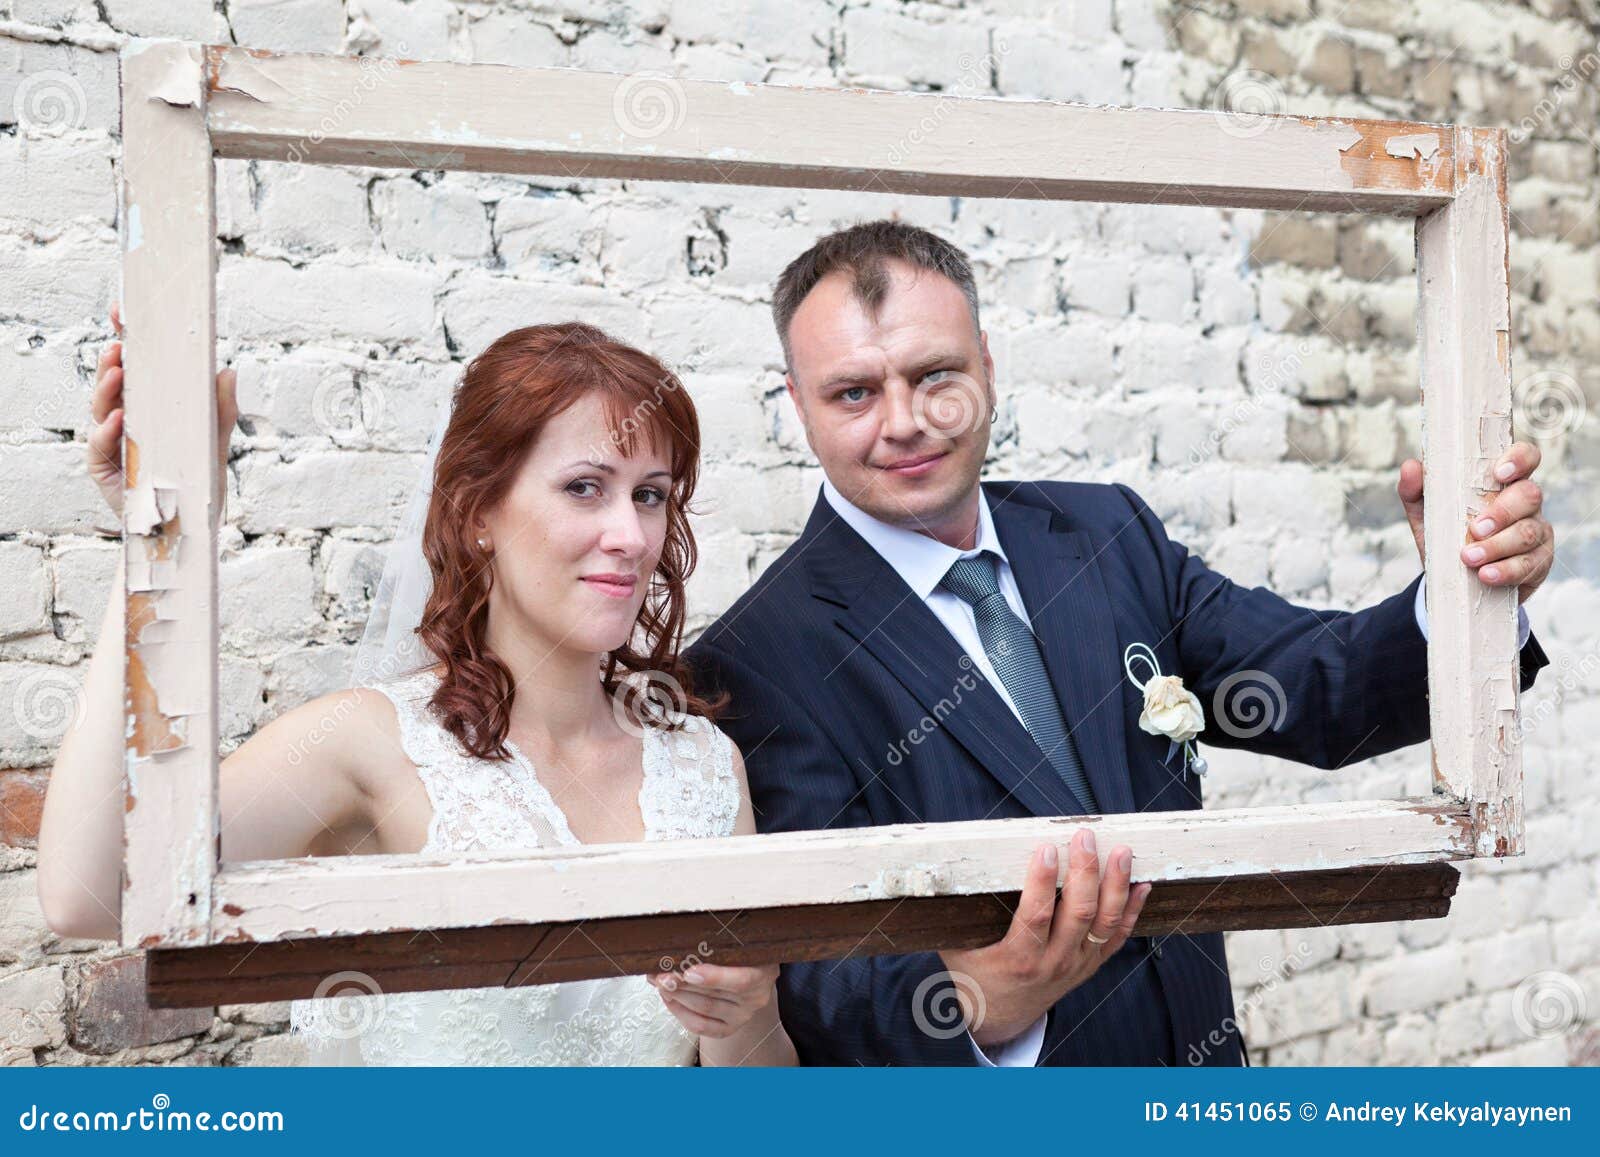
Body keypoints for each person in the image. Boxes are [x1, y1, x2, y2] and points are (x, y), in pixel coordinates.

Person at [685, 219, 1555, 1067]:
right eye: (854, 393)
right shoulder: (753, 662)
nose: (905, 420)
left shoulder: (1106, 531)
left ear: (987, 366)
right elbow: (803, 989)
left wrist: (1466, 591)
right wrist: (983, 1000)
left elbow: (1315, 689)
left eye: (935, 374)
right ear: (797, 405)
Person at [38, 310, 798, 1068]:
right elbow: (90, 892)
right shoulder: (368, 745)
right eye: (585, 487)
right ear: (478, 514)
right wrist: (160, 538)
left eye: (650, 495)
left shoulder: (702, 767)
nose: (630, 537)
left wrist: (744, 1011)